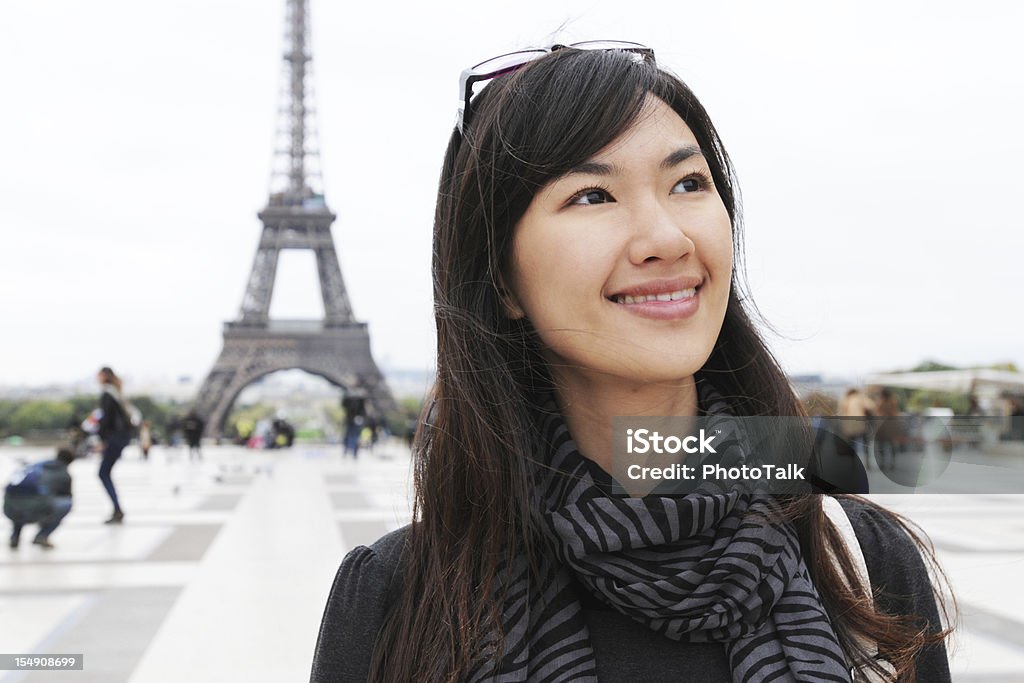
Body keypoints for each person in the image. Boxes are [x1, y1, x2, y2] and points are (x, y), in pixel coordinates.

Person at [311, 43, 953, 682]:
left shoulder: (865, 565)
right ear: (500, 279)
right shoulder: (402, 600)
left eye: (688, 183)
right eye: (593, 195)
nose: (667, 239)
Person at [4, 448, 75, 549]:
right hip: (33, 510)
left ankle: (15, 536)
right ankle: (42, 535)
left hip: (9, 509)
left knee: (21, 500)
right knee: (66, 503)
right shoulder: (63, 474)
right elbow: (66, 495)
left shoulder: (36, 465)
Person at [97, 366, 131, 524]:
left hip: (114, 438)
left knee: (103, 473)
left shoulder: (107, 394)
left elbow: (106, 419)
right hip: (121, 437)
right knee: (105, 473)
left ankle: (117, 509)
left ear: (104, 376)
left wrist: (102, 440)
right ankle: (117, 508)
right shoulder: (117, 393)